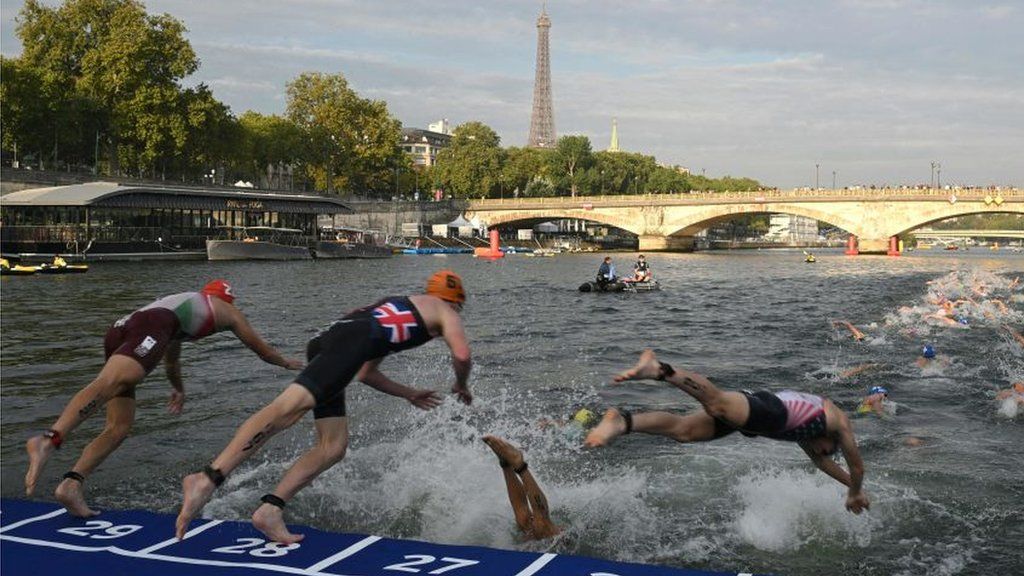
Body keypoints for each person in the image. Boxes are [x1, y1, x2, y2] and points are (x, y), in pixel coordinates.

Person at [175, 270, 473, 543]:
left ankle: (270, 510)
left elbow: (365, 372)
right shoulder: (446, 311)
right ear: (455, 301)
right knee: (285, 411)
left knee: (333, 446)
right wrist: (461, 384)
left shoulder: (401, 307)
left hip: (329, 338)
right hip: (350, 344)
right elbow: (461, 354)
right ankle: (207, 478)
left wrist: (408, 393)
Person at [24, 280, 303, 518]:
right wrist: (288, 363)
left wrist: (178, 389)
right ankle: (51, 439)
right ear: (225, 299)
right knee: (111, 382)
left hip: (121, 329)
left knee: (118, 426)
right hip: (147, 327)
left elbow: (171, 360)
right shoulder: (225, 310)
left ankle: (71, 485)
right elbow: (262, 350)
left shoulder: (181, 309)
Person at [585, 349, 870, 514]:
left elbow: (824, 465)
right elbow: (857, 468)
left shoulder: (810, 436)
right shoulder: (836, 422)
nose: (822, 454)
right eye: (828, 451)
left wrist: (852, 490)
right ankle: (659, 369)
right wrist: (855, 490)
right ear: (830, 440)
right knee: (717, 404)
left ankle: (622, 422)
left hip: (760, 417)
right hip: (770, 410)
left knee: (684, 431)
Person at [482, 436, 561, 541]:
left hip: (558, 541)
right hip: (549, 543)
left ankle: (513, 465)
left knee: (536, 525)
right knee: (529, 523)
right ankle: (509, 463)